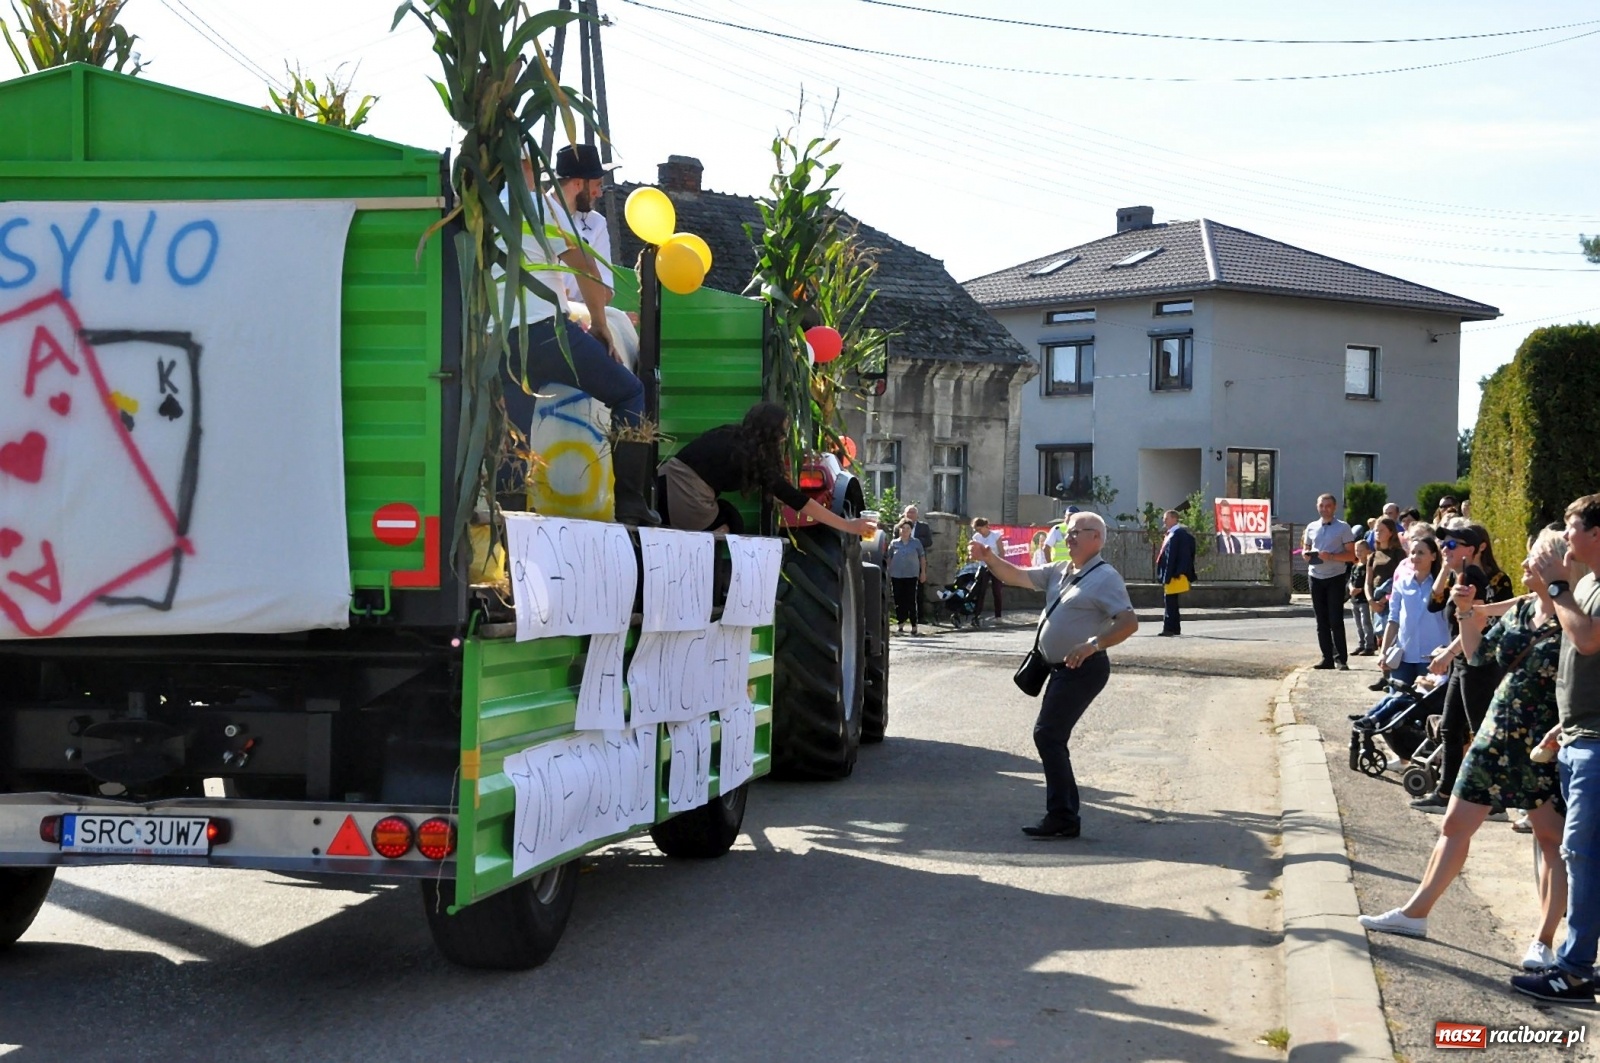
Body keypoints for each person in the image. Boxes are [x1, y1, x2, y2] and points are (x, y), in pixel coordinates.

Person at [1360, 529, 1569, 971]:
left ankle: (1544, 941)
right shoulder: (1523, 611)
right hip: (1495, 733)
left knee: (1550, 840)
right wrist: (1464, 613)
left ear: (1557, 564)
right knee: (1455, 824)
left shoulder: (1574, 620)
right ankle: (1415, 913)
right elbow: (1478, 657)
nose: (1525, 563)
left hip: (1539, 745)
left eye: (1534, 557)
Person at [499, 144, 656, 525]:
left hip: (501, 339)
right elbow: (586, 269)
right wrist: (600, 325)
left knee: (514, 433)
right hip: (546, 331)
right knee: (629, 392)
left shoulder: (483, 208)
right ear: (529, 166)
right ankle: (631, 503)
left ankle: (509, 516)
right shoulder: (539, 207)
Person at [970, 511, 1138, 839]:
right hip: (1058, 668)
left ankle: (1063, 816)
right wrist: (989, 557)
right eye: (1067, 532)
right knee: (1050, 736)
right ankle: (1064, 815)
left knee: (1048, 735)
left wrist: (1093, 644)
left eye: (1077, 532)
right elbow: (1016, 575)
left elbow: (1128, 622)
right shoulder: (1060, 569)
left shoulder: (1106, 577)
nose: (1068, 537)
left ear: (1097, 538)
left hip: (1083, 669)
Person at [1513, 495, 1600, 1003]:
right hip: (1578, 737)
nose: (1566, 536)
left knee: (1581, 855)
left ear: (1596, 534)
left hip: (1595, 746)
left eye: (1572, 527)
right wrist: (1561, 727)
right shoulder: (1585, 585)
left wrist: (1557, 587)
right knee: (1585, 856)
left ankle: (1574, 970)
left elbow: (1588, 641)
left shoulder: (1581, 588)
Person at [655, 402, 876, 538]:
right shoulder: (756, 458)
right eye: (783, 432)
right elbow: (798, 501)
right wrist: (847, 525)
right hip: (683, 499)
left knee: (726, 513)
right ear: (771, 432)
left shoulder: (728, 433)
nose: (784, 438)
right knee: (732, 521)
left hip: (659, 487)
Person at [1376, 535, 1451, 688]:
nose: (1415, 557)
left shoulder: (1443, 585)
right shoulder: (1401, 584)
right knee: (1397, 698)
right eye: (1412, 552)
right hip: (1404, 656)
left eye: (1421, 553)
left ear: (1433, 556)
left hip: (1433, 657)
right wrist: (1383, 652)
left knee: (1427, 700)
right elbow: (1393, 620)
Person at [1303, 493, 1359, 670]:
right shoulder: (1311, 527)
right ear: (1317, 506)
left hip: (1335, 576)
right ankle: (1326, 658)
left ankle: (1341, 659)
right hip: (1315, 576)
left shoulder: (1343, 528)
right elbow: (1306, 547)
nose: (1324, 509)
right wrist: (1306, 554)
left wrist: (1332, 556)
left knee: (1335, 619)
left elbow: (1351, 555)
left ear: (1334, 507)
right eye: (1321, 505)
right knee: (1321, 620)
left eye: (1328, 506)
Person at [1155, 508, 1197, 637]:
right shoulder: (1173, 534)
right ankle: (1175, 628)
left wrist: (1174, 573)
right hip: (1172, 573)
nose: (1164, 521)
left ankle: (1169, 628)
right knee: (1171, 601)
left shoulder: (1178, 535)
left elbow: (1178, 556)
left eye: (1166, 518)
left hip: (1174, 574)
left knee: (1170, 601)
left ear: (1174, 519)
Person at [885, 521, 926, 635]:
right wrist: (887, 572)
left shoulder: (916, 543)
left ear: (911, 530)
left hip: (911, 575)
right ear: (899, 530)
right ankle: (901, 623)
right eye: (903, 528)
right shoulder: (894, 543)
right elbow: (889, 558)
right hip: (896, 574)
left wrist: (923, 572)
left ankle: (914, 625)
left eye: (907, 528)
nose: (905, 531)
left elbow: (922, 558)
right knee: (898, 599)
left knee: (911, 599)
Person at [901, 505, 934, 626]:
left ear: (917, 515)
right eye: (908, 512)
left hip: (918, 561)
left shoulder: (923, 527)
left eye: (913, 512)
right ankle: (903, 616)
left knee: (919, 590)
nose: (910, 515)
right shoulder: (899, 526)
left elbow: (929, 541)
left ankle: (920, 616)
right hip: (902, 561)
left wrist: (915, 542)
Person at [969, 518, 1006, 623]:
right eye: (977, 530)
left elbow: (1001, 552)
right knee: (981, 591)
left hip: (995, 565)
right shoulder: (976, 537)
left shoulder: (995, 535)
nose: (979, 532)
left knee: (997, 591)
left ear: (986, 526)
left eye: (980, 529)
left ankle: (998, 616)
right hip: (983, 566)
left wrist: (999, 564)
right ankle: (977, 615)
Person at [1349, 538, 1374, 655]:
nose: (1358, 553)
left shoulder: (1369, 566)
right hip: (1355, 599)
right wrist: (1351, 589)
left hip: (1364, 599)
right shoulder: (1355, 566)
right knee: (1358, 624)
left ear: (1368, 551)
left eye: (1361, 550)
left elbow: (1370, 583)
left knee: (1366, 623)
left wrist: (1360, 590)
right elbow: (1350, 580)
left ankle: (1369, 645)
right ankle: (1361, 644)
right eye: (1356, 550)